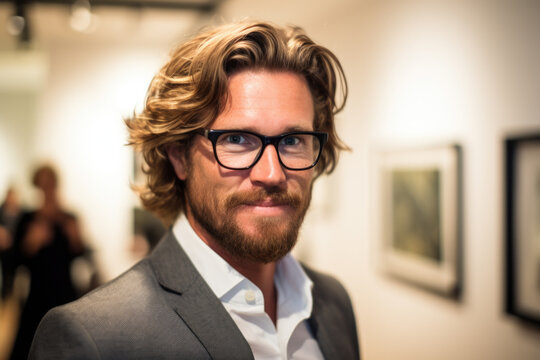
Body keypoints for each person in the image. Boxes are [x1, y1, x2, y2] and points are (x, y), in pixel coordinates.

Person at [29, 21, 360, 359]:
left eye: (292, 141)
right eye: (237, 140)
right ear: (179, 156)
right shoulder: (97, 338)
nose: (272, 174)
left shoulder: (333, 304)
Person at [9, 165, 87, 360]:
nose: (47, 189)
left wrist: (75, 239)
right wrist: (30, 243)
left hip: (64, 293)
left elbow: (81, 255)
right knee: (30, 346)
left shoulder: (69, 218)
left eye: (50, 183)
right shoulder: (28, 218)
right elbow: (15, 261)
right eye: (43, 184)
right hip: (37, 295)